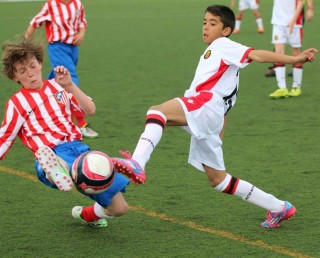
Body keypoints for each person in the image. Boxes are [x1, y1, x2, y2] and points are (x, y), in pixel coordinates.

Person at [112, 5, 317, 229]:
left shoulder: (223, 45)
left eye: (213, 23)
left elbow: (256, 54)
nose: (206, 27)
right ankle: (279, 207)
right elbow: (227, 103)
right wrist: (217, 136)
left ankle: (138, 163)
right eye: (204, 22)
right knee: (219, 180)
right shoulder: (220, 56)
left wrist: (295, 58)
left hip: (205, 105)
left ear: (226, 30)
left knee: (156, 112)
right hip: (213, 116)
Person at [0, 36, 130, 228]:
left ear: (40, 63)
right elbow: (5, 136)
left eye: (33, 66)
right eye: (22, 71)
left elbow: (89, 109)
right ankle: (53, 168)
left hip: (79, 150)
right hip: (51, 151)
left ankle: (85, 214)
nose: (30, 73)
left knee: (119, 208)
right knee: (62, 164)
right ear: (14, 77)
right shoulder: (17, 103)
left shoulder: (58, 86)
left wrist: (69, 85)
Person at [24, 0, 98, 138]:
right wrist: (24, 41)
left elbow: (82, 22)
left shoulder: (77, 4)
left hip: (73, 48)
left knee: (53, 81)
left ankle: (36, 111)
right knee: (70, 81)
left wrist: (81, 34)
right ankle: (81, 124)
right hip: (57, 47)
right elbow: (35, 22)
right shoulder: (51, 5)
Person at [265, 0, 314, 81]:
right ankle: (276, 67)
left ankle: (296, 67)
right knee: (278, 46)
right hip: (279, 16)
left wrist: (310, 8)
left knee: (295, 46)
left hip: (296, 11)